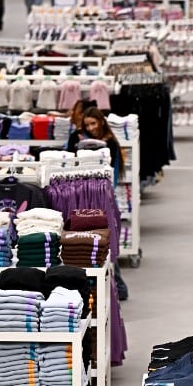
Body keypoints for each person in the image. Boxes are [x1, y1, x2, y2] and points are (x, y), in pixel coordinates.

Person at [65, 106, 129, 301]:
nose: (91, 128)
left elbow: (114, 175)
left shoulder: (111, 143)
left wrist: (104, 191)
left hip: (103, 195)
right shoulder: (76, 137)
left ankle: (118, 286)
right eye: (87, 125)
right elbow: (66, 162)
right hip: (78, 192)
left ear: (101, 121)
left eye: (93, 123)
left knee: (107, 240)